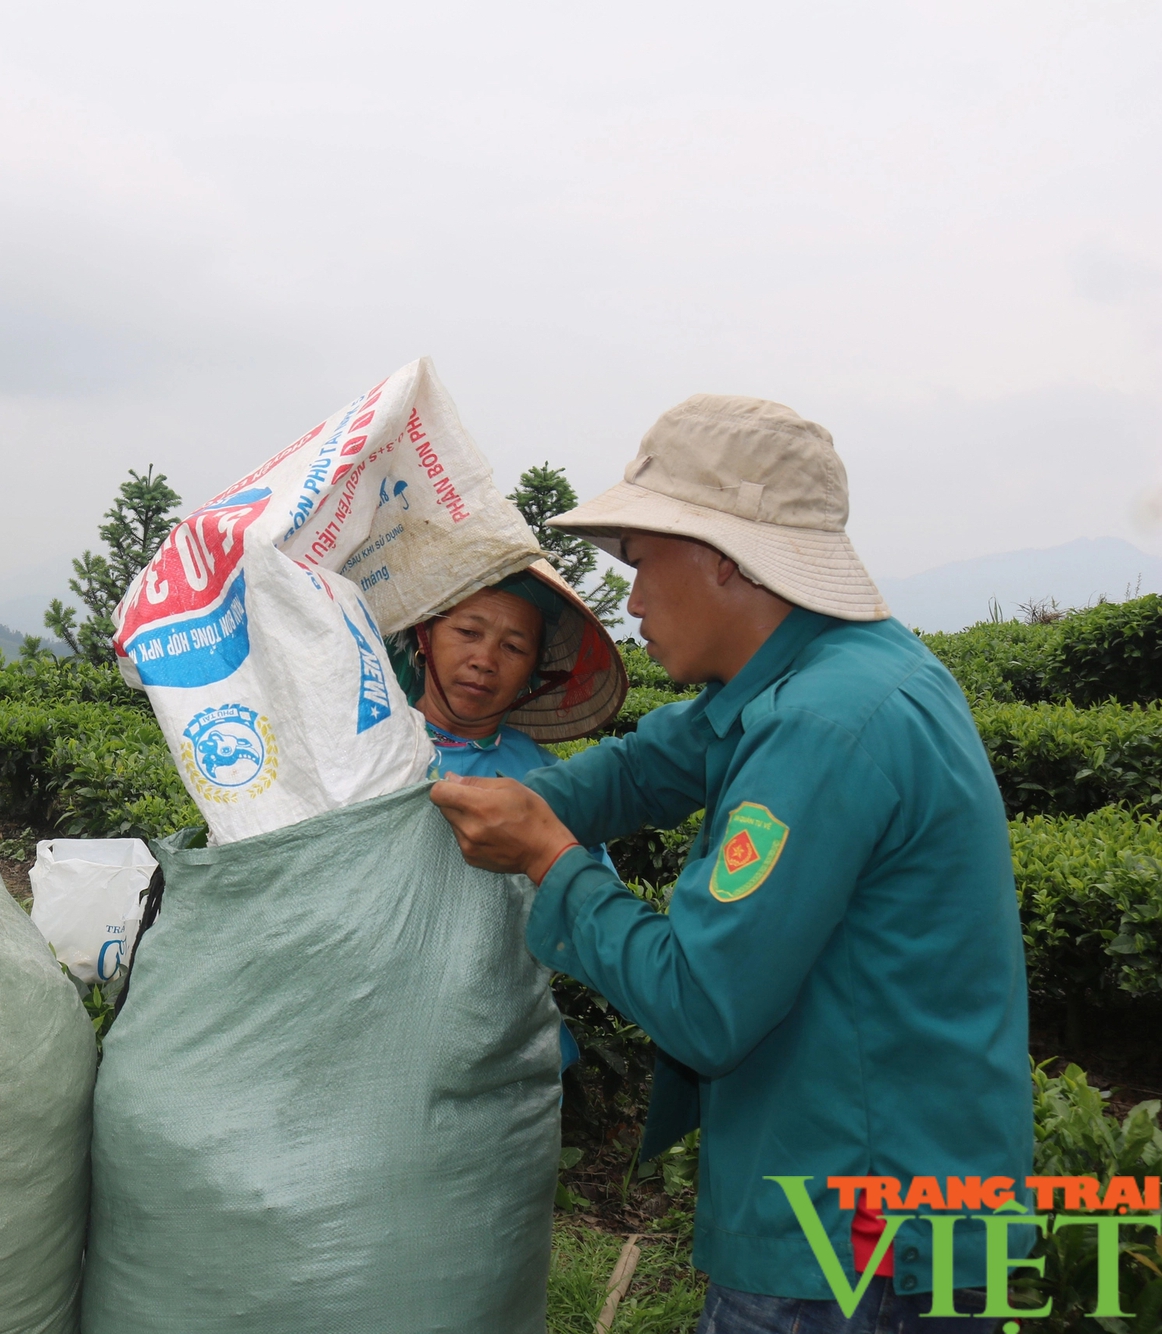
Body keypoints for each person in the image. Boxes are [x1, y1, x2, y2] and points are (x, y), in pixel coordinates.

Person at [428, 396, 1030, 1332]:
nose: (628, 600)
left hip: (853, 1238)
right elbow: (646, 764)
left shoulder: (822, 729)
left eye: (641, 563)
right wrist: (515, 797)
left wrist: (551, 859)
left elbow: (703, 1006)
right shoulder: (826, 670)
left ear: (722, 560)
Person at [388, 562, 628, 1077]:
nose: (485, 660)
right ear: (425, 636)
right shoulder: (371, 749)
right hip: (379, 1047)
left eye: (514, 648)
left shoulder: (545, 779)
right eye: (468, 632)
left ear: (534, 671)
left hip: (506, 1060)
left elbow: (591, 912)